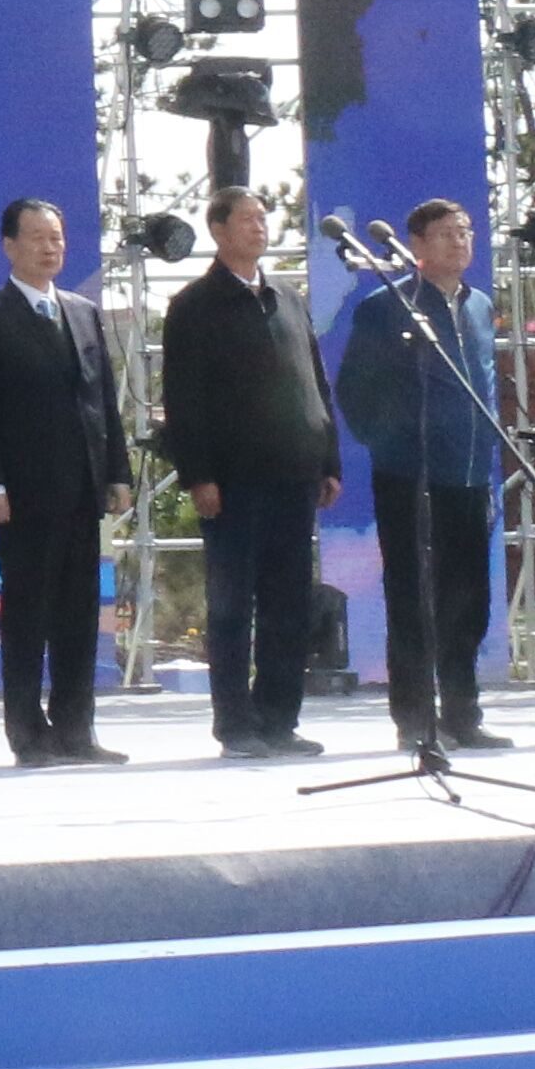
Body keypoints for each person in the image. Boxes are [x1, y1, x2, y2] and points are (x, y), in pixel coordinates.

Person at [156, 190, 338, 760]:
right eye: (247, 219)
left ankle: (279, 719)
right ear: (218, 230)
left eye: (264, 217)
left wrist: (328, 460)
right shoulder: (194, 305)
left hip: (295, 476)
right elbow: (183, 399)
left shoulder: (287, 296)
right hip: (233, 482)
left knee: (289, 604)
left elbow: (315, 383)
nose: (259, 227)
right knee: (233, 607)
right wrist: (199, 475)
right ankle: (235, 724)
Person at [0, 199, 136, 767]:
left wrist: (117, 472)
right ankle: (27, 732)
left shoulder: (82, 312)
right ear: (9, 246)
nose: (50, 247)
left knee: (79, 613)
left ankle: (76, 729)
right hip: (23, 493)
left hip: (82, 489)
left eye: (56, 237)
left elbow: (102, 400)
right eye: (37, 237)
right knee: (27, 613)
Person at [335, 199, 512, 753]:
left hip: (470, 474)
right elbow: (355, 391)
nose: (460, 242)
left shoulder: (479, 305)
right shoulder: (387, 307)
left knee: (469, 600)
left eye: (466, 232)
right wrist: (394, 444)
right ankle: (415, 718)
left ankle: (462, 713)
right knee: (414, 599)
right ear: (416, 245)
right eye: (446, 234)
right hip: (409, 476)